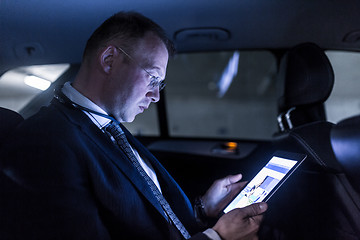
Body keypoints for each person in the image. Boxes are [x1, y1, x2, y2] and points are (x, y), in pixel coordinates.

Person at [0, 11, 267, 240]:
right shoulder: (44, 142)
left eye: (160, 84)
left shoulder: (106, 126)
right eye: (152, 78)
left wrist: (201, 209)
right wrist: (216, 237)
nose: (156, 95)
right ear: (109, 60)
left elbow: (135, 222)